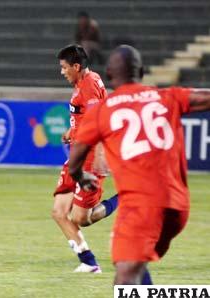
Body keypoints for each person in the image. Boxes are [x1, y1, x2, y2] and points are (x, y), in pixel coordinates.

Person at [68, 44, 210, 284]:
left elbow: (75, 161)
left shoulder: (103, 110)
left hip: (142, 206)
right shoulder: (168, 96)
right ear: (142, 71)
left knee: (124, 280)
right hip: (178, 206)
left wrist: (82, 177)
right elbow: (203, 97)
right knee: (136, 263)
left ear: (110, 76)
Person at [52, 44, 118, 273]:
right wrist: (73, 131)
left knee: (81, 218)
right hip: (77, 157)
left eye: (64, 67)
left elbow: (97, 121)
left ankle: (125, 198)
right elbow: (86, 119)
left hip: (90, 158)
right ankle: (88, 262)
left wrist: (100, 154)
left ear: (76, 66)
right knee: (59, 212)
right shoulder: (89, 79)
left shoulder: (88, 87)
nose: (62, 72)